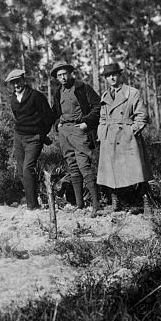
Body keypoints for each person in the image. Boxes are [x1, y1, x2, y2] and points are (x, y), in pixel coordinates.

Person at [97, 62, 152, 212]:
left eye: (114, 74)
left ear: (120, 75)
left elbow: (142, 115)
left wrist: (132, 131)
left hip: (127, 138)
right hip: (109, 138)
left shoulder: (132, 92)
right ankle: (117, 202)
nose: (112, 78)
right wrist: (102, 132)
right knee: (111, 172)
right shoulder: (105, 95)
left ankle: (146, 203)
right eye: (108, 76)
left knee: (138, 172)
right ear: (106, 79)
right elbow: (102, 117)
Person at [49, 62, 102, 214]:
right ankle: (80, 205)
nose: (63, 77)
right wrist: (57, 124)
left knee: (84, 166)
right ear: (57, 78)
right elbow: (55, 111)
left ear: (70, 73)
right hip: (64, 132)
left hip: (79, 131)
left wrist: (87, 122)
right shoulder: (58, 91)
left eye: (65, 74)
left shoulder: (82, 87)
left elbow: (97, 106)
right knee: (72, 167)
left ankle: (96, 206)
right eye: (59, 75)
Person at [6, 68, 55, 210]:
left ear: (24, 80)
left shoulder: (36, 96)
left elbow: (49, 116)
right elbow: (17, 118)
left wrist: (41, 134)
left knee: (28, 168)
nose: (16, 85)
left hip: (34, 138)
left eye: (18, 81)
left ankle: (32, 206)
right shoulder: (13, 99)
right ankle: (32, 202)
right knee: (21, 170)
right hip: (19, 137)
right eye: (13, 83)